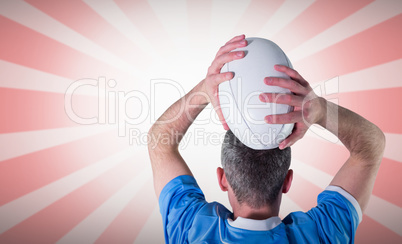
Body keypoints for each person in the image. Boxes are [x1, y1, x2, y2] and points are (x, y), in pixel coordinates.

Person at [147, 35, 385, 243]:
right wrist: (319, 110)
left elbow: (159, 141)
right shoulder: (324, 234)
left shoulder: (191, 231)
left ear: (222, 180)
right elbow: (370, 146)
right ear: (287, 182)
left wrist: (205, 89)